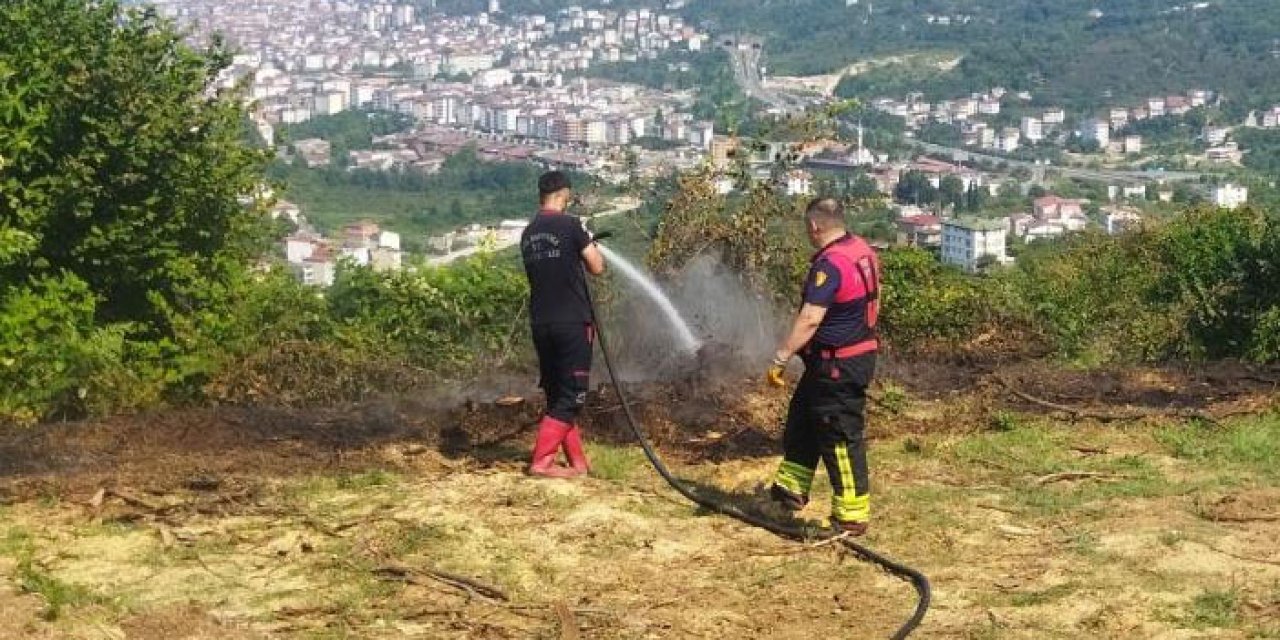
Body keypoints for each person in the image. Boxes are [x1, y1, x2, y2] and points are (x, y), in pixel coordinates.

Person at [766, 197, 881, 535]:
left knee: (839, 436)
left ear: (815, 226)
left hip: (839, 365)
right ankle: (791, 488)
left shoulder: (830, 264)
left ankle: (852, 514)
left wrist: (781, 357)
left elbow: (811, 318)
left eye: (807, 228)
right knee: (803, 417)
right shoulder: (861, 249)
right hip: (840, 359)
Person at [520, 170, 606, 478]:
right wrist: (589, 242)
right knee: (573, 395)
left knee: (558, 395)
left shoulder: (528, 232)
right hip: (571, 323)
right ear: (563, 194)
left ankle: (577, 464)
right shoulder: (570, 225)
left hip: (541, 323)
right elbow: (596, 266)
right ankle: (542, 462)